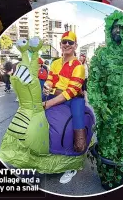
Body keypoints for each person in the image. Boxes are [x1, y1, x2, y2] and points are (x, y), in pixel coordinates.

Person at [43, 31, 86, 183]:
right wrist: (47, 86)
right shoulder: (55, 63)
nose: (67, 44)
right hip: (55, 95)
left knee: (77, 123)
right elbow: (50, 80)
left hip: (72, 98)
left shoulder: (78, 66)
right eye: (64, 42)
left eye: (70, 42)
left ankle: (75, 160)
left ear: (75, 46)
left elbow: (70, 92)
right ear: (60, 44)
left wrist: (48, 103)